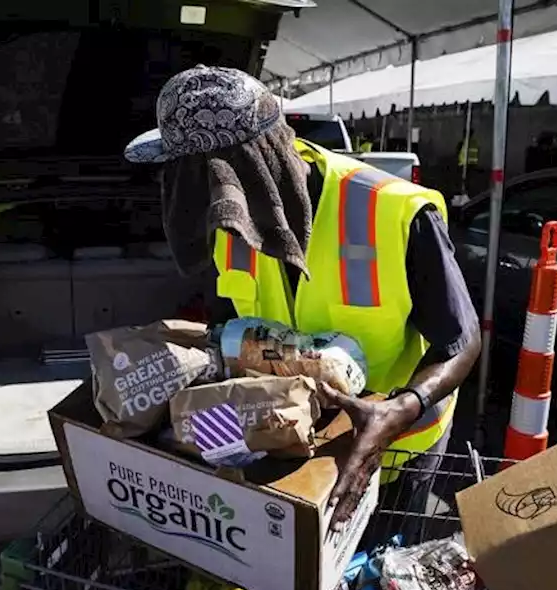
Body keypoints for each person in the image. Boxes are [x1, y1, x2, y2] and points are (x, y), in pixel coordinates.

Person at [125, 67, 481, 535]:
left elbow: (462, 340)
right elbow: (229, 330)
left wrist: (399, 410)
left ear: (236, 174)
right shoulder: (231, 226)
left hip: (397, 444)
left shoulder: (392, 210)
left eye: (191, 179)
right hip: (295, 443)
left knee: (381, 576)